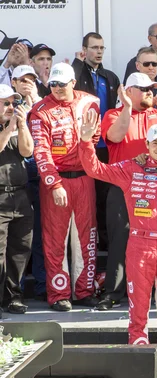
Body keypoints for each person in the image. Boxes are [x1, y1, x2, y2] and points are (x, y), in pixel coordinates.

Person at [79, 115, 157, 378]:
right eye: (155, 143)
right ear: (147, 144)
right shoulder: (131, 168)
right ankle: (140, 364)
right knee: (138, 310)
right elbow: (95, 169)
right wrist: (86, 142)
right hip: (139, 244)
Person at [97, 73, 157, 311]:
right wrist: (125, 106)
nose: (148, 94)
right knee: (120, 239)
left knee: (154, 241)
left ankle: (151, 293)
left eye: (151, 90)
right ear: (129, 90)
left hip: (154, 187)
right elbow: (115, 136)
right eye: (142, 89)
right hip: (123, 185)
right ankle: (113, 292)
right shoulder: (114, 114)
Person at [29, 62, 101, 311]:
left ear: (73, 82)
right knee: (55, 239)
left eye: (62, 83)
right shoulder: (40, 110)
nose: (58, 88)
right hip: (56, 181)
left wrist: (85, 140)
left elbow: (94, 139)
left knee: (86, 237)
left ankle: (84, 291)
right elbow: (41, 151)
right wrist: (54, 183)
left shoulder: (90, 102)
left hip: (84, 178)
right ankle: (58, 293)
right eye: (53, 84)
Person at [72, 31, 121, 253]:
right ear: (84, 49)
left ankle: (107, 245)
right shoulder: (77, 72)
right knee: (87, 198)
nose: (99, 52)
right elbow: (68, 92)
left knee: (105, 197)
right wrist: (77, 63)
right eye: (94, 48)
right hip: (83, 145)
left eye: (101, 48)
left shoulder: (110, 77)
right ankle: (87, 246)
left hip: (107, 147)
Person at [11, 65, 45, 300]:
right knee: (15, 239)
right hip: (14, 177)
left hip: (40, 173)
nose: (26, 83)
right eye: (21, 79)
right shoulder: (6, 105)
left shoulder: (44, 103)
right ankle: (15, 289)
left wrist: (35, 103)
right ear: (13, 82)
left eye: (30, 79)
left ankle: (44, 286)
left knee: (42, 234)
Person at [0, 85, 34, 317]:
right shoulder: (7, 128)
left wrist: (21, 127)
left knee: (21, 248)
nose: (11, 107)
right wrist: (10, 127)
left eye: (13, 103)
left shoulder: (17, 125)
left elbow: (28, 150)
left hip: (20, 196)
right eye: (6, 103)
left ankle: (13, 296)